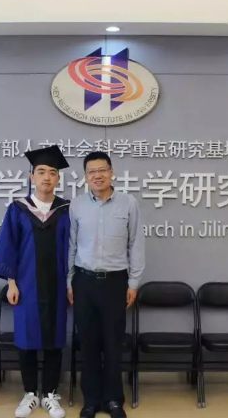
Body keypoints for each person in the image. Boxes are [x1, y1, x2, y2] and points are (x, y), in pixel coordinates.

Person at [0, 145, 71, 418]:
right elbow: (9, 247)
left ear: (58, 179)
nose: (47, 177)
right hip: (26, 285)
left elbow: (75, 249)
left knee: (55, 339)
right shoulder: (18, 209)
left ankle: (50, 394)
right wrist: (11, 283)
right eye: (41, 172)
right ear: (32, 177)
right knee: (26, 338)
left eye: (53, 173)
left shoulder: (67, 210)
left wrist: (72, 284)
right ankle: (30, 393)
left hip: (58, 284)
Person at [67, 151, 146, 418]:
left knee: (113, 343)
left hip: (115, 282)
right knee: (88, 343)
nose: (97, 175)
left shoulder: (128, 203)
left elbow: (136, 244)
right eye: (92, 171)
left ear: (112, 172)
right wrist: (69, 281)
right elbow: (71, 245)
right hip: (84, 281)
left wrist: (133, 282)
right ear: (85, 177)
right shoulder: (77, 205)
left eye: (102, 170)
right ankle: (90, 400)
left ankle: (113, 400)